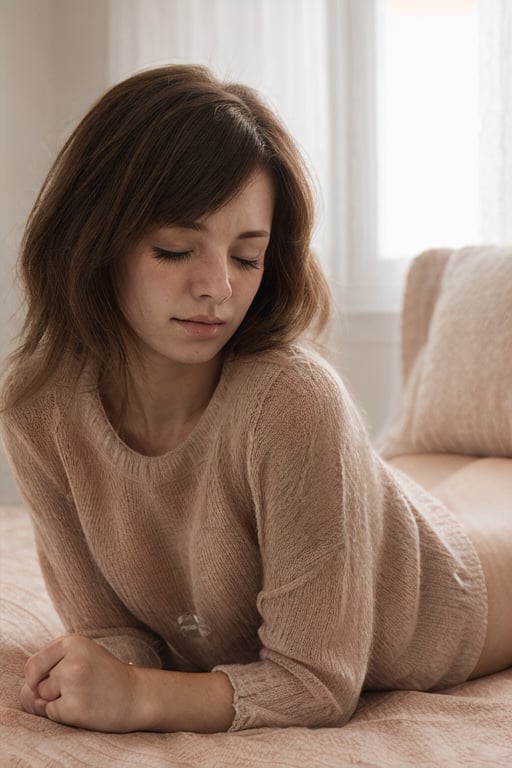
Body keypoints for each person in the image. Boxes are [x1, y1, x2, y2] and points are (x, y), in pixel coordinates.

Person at [1, 64, 510, 735]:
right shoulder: (39, 407)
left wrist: (142, 697)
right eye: (176, 249)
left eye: (247, 257)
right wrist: (89, 671)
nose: (217, 287)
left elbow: (316, 684)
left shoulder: (293, 399)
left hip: (457, 591)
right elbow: (111, 630)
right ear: (93, 241)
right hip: (390, 500)